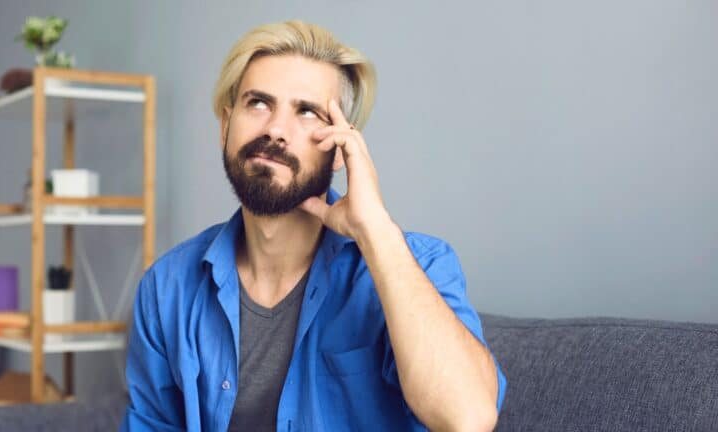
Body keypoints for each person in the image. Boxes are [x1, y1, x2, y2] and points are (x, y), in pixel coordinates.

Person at [121, 20, 506, 432]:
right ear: (225, 127)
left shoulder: (418, 266)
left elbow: (468, 418)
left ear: (341, 150)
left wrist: (374, 229)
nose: (276, 129)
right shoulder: (168, 288)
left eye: (306, 112)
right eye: (258, 104)